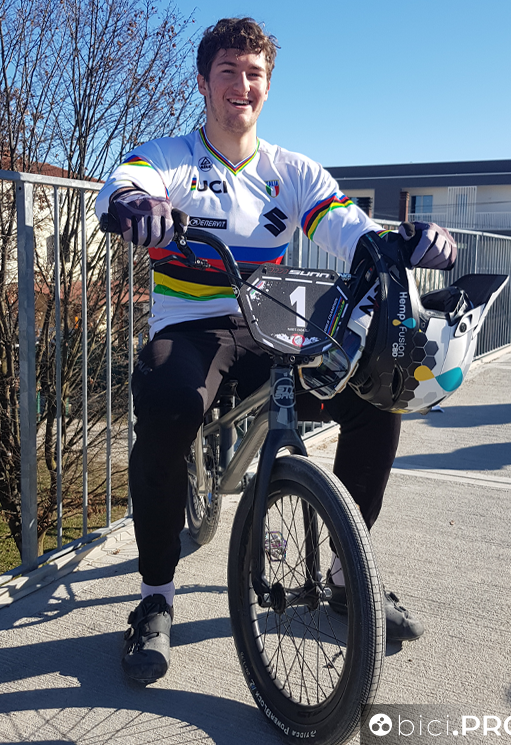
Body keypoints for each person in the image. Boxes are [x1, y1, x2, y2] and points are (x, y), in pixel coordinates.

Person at [96, 17, 456, 684]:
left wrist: (404, 241)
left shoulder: (291, 171)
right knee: (169, 408)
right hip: (192, 327)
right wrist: (133, 206)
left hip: (272, 323)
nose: (242, 85)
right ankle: (155, 597)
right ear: (203, 82)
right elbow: (123, 185)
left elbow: (346, 225)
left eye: (254, 74)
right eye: (228, 72)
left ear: (268, 85)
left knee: (376, 399)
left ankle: (346, 574)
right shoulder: (170, 157)